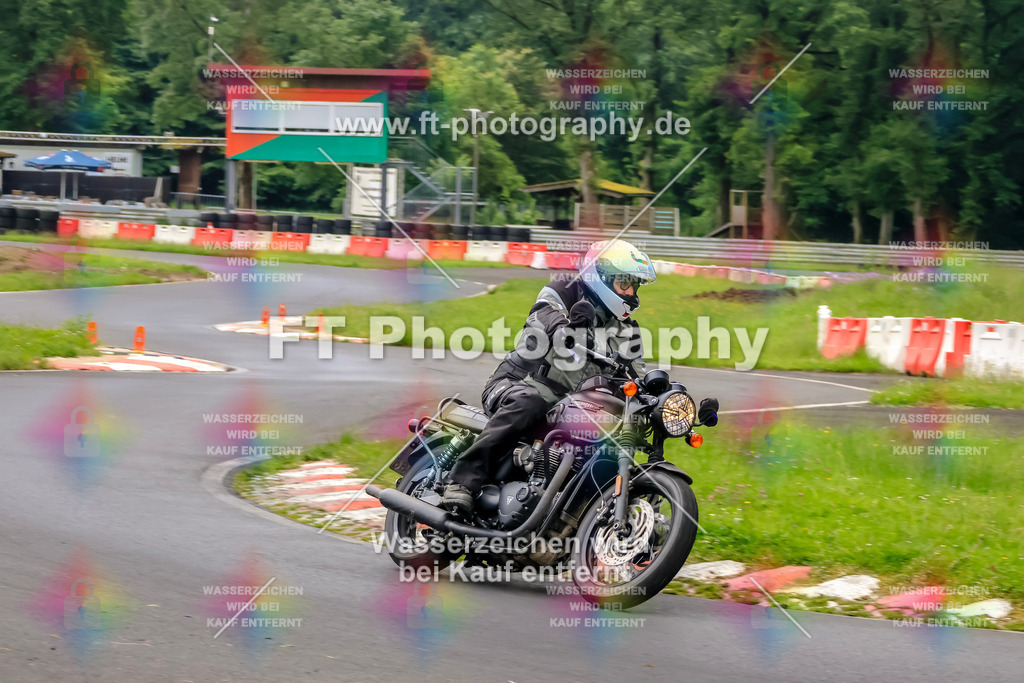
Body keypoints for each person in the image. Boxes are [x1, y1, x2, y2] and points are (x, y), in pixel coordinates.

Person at [441, 239, 657, 514]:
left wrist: (659, 394)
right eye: (624, 284)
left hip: (570, 406)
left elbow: (637, 373)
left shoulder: (627, 330)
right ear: (601, 276)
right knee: (529, 402)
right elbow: (544, 313)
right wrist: (566, 329)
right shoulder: (566, 289)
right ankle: (462, 481)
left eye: (633, 286)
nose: (630, 293)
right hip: (515, 385)